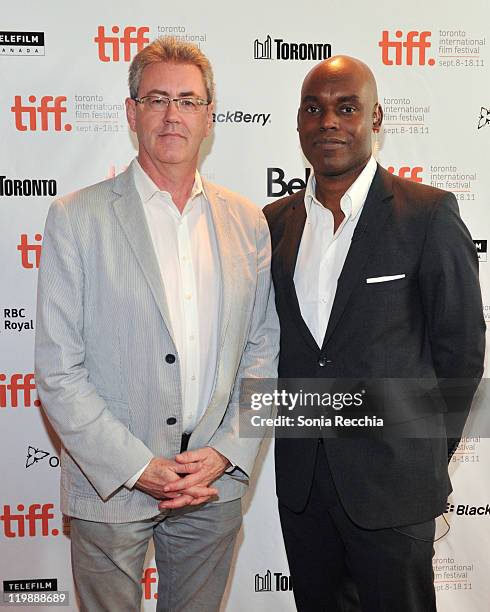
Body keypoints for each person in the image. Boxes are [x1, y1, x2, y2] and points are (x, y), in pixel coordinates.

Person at [35, 36, 279, 612]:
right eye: (157, 99)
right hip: (110, 487)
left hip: (212, 487)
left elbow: (264, 352)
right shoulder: (76, 218)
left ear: (210, 117)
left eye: (189, 101)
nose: (173, 115)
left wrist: (226, 451)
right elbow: (58, 371)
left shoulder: (247, 222)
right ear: (131, 111)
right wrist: (138, 467)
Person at [263, 55, 485, 611]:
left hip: (395, 484)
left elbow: (462, 352)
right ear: (298, 125)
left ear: (376, 118)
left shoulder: (427, 214)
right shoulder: (273, 223)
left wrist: (425, 454)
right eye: (314, 110)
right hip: (304, 485)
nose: (328, 122)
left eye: (346, 108)